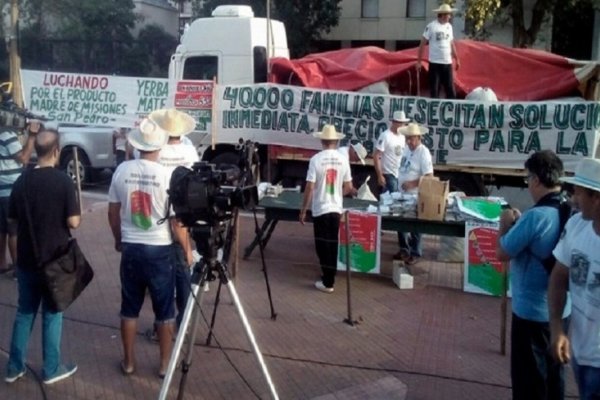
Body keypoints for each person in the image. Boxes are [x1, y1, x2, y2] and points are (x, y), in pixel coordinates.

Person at [108, 117, 187, 378]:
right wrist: (187, 250)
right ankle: (164, 364)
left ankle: (129, 362)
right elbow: (176, 223)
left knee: (129, 307)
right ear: (159, 146)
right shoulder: (166, 175)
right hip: (159, 248)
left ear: (138, 145)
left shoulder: (122, 170)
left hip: (131, 244)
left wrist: (118, 238)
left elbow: (113, 210)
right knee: (165, 310)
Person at [5, 128, 80, 384]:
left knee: (25, 312)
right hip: (54, 261)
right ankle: (51, 368)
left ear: (36, 151)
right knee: (52, 313)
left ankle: (14, 367)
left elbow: (12, 219)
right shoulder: (63, 182)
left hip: (27, 258)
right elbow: (74, 221)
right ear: (57, 151)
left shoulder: (21, 181)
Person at [496, 150, 571, 400]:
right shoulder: (570, 209)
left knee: (530, 381)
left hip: (531, 313)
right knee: (554, 377)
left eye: (528, 178)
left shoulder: (535, 217)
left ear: (537, 180)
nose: (528, 183)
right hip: (562, 312)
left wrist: (505, 224)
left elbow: (503, 252)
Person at [549, 158, 600, 400]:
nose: (573, 199)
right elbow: (559, 278)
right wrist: (558, 328)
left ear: (596, 197)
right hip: (580, 354)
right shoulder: (576, 225)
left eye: (578, 193)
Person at [148, 108, 198, 335]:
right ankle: (182, 321)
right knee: (183, 271)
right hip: (184, 214)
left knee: (164, 276)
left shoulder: (158, 152)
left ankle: (165, 326)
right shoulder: (189, 151)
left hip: (160, 215)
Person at [300, 125, 353, 293]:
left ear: (322, 140)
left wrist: (303, 209)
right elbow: (349, 186)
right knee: (332, 242)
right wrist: (337, 194)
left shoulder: (316, 159)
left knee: (322, 245)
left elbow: (309, 186)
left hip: (321, 207)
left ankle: (328, 280)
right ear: (336, 141)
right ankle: (331, 275)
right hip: (336, 207)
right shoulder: (343, 160)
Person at [0, 120, 39, 275]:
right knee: (14, 230)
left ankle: (2, 263)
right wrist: (32, 136)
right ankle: (18, 267)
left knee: (1, 229)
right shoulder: (7, 135)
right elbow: (24, 158)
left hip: (1, 187)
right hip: (10, 188)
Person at [396, 122, 433, 264]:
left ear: (418, 138)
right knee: (400, 222)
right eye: (407, 138)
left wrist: (412, 183)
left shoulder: (423, 152)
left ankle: (415, 252)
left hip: (414, 195)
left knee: (415, 225)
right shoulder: (407, 150)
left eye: (411, 139)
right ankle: (404, 249)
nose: (408, 141)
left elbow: (429, 176)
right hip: (403, 194)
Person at [417, 3, 461, 99]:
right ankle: (434, 111)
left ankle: (451, 110)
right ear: (443, 15)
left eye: (450, 15)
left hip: (447, 63)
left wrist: (457, 58)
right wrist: (419, 61)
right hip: (435, 63)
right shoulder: (431, 26)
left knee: (450, 89)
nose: (449, 17)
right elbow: (422, 43)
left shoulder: (449, 27)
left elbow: (451, 43)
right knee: (434, 89)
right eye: (448, 14)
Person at [373, 111, 410, 194]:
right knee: (391, 197)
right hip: (388, 173)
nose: (401, 125)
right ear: (393, 122)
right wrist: (380, 175)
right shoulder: (385, 136)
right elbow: (376, 155)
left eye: (403, 123)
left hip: (399, 173)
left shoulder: (402, 137)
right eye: (399, 123)